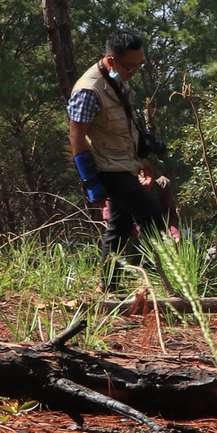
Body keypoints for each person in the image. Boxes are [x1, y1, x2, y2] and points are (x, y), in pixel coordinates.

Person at [67, 29, 169, 269]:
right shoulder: (88, 90)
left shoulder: (117, 80)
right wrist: (91, 183)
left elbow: (123, 130)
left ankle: (109, 285)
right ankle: (159, 275)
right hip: (107, 169)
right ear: (112, 60)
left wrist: (142, 161)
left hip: (124, 164)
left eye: (139, 65)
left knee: (120, 225)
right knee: (152, 212)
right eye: (129, 67)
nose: (133, 72)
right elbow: (76, 135)